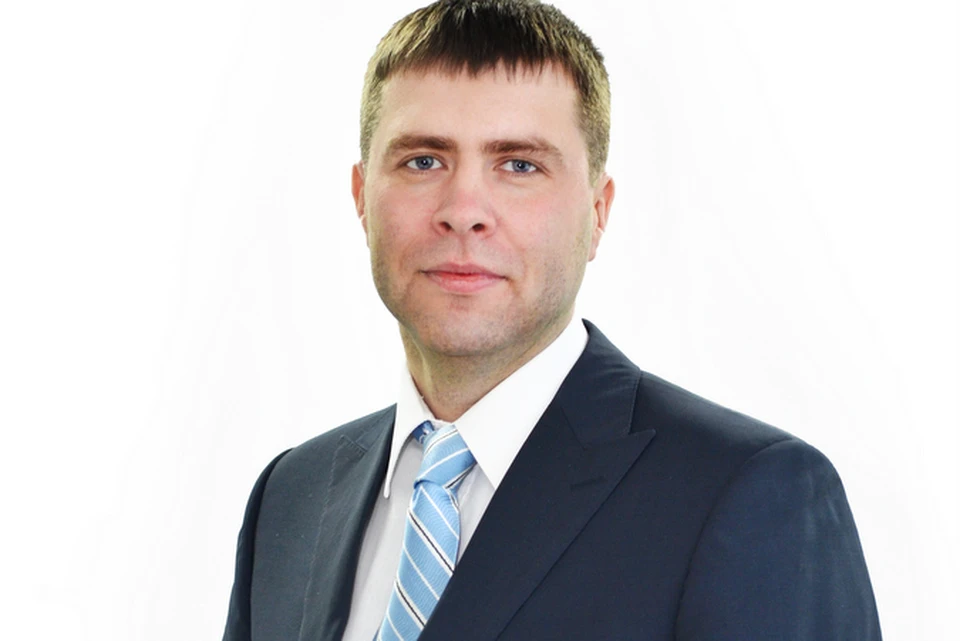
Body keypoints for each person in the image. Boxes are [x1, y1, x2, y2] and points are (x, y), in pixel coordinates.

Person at [222, 1, 882, 639]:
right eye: (423, 160)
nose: (464, 210)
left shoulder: (746, 494)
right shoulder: (291, 499)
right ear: (363, 197)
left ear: (598, 212)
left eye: (519, 165)